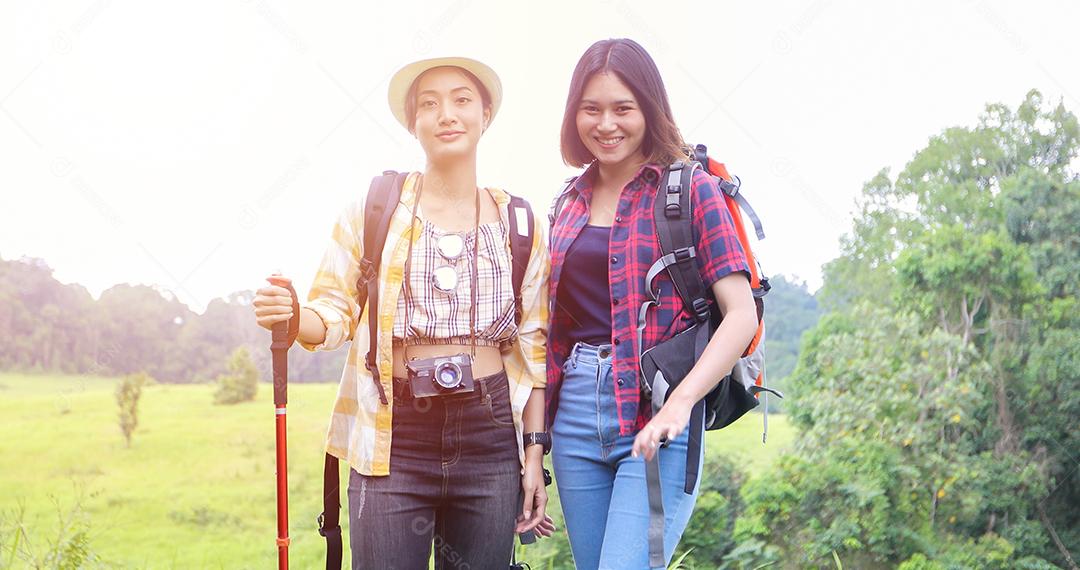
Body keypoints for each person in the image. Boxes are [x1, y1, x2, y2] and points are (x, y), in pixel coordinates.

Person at [253, 56, 553, 569]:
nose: (446, 115)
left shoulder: (521, 222)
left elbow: (534, 347)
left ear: (485, 115)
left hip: (489, 432)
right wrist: (293, 314)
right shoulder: (375, 208)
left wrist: (532, 456)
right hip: (392, 433)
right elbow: (334, 310)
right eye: (429, 105)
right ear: (413, 123)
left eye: (461, 100)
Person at [546, 38, 759, 569]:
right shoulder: (566, 203)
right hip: (574, 417)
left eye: (624, 108)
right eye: (590, 109)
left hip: (658, 418)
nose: (606, 124)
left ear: (649, 108)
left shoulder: (690, 190)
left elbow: (740, 314)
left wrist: (680, 405)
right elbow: (549, 331)